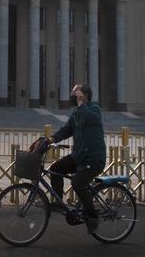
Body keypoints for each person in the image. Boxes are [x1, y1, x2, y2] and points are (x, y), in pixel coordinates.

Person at [46, 83, 106, 234]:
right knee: (55, 169)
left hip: (93, 159)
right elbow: (66, 130)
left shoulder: (94, 109)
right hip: (79, 156)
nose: (72, 96)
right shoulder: (75, 114)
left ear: (84, 95)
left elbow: (89, 117)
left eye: (75, 93)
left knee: (77, 183)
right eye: (73, 93)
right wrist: (50, 140)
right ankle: (59, 202)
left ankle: (93, 217)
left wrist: (81, 104)